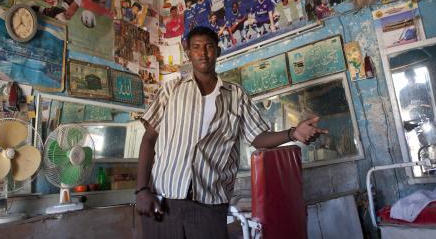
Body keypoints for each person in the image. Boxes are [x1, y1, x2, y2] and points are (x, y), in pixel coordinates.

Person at [135, 26, 328, 238]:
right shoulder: (170, 90)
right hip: (162, 201)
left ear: (218, 52)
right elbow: (148, 140)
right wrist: (142, 190)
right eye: (196, 47)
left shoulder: (237, 96)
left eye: (209, 47)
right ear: (188, 53)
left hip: (209, 204)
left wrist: (292, 133)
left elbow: (257, 138)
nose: (203, 53)